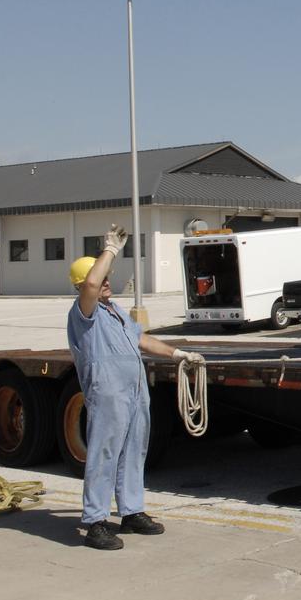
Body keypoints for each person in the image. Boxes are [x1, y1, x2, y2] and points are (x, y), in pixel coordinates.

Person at [67, 224, 204, 550]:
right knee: (104, 454)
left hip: (133, 391)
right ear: (85, 285)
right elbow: (90, 283)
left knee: (133, 452)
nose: (107, 282)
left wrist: (177, 353)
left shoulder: (113, 312)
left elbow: (140, 339)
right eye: (102, 279)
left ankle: (130, 511)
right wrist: (111, 248)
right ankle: (95, 522)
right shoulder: (83, 313)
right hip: (108, 393)